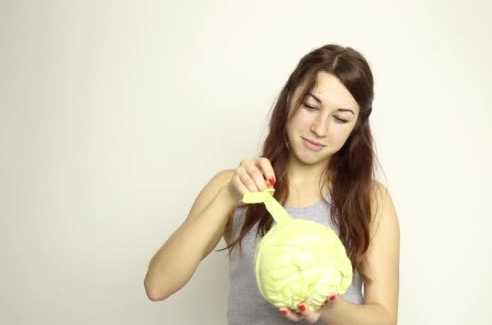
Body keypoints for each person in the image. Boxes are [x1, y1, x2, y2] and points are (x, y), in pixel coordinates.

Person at [144, 44, 400, 324]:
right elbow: (158, 286)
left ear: (355, 127)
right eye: (311, 106)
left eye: (340, 118)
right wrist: (227, 197)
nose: (320, 128)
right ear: (289, 98)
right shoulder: (232, 186)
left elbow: (384, 318)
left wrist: (326, 306)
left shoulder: (370, 199)